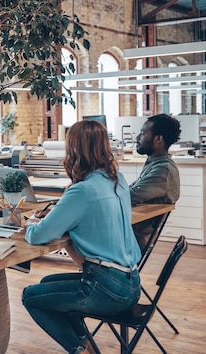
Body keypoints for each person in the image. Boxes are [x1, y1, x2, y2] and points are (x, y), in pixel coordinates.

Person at [22, 120, 142, 354]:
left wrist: (31, 223)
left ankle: (80, 349)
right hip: (131, 284)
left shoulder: (82, 190)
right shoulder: (117, 181)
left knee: (31, 296)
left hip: (105, 289)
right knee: (48, 284)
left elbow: (38, 236)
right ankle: (86, 346)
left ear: (75, 150)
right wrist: (60, 215)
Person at [130, 114, 181, 249]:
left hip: (132, 241)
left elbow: (130, 195)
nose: (137, 138)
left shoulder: (163, 171)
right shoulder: (155, 163)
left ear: (158, 139)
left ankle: (89, 270)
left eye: (143, 134)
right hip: (129, 233)